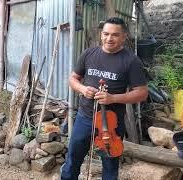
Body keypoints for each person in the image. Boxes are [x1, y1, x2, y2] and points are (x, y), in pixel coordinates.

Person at [61, 17, 148, 180]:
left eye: (115, 35)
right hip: (85, 117)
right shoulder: (89, 53)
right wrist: (82, 89)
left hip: (112, 123)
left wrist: (112, 98)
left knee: (109, 165)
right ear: (101, 35)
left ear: (124, 37)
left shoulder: (131, 60)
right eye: (106, 34)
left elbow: (142, 93)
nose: (109, 38)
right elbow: (73, 78)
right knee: (72, 160)